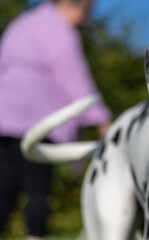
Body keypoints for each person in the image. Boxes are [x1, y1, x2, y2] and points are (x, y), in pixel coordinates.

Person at [0, 0, 112, 239]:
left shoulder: (23, 24)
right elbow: (75, 81)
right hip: (36, 123)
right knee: (38, 191)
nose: (86, 19)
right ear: (73, 5)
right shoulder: (60, 31)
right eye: (86, 11)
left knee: (3, 190)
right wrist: (102, 120)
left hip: (3, 119)